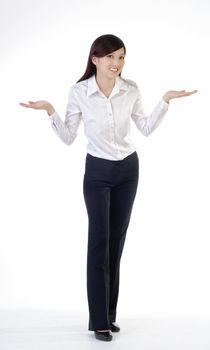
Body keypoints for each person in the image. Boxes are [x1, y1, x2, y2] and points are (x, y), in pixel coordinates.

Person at [20, 34, 197, 342]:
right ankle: (99, 320)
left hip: (129, 169)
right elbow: (68, 137)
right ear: (95, 59)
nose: (117, 63)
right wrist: (50, 111)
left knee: (116, 245)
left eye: (122, 57)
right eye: (111, 57)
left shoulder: (131, 90)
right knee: (99, 242)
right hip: (98, 172)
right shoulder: (80, 92)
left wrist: (165, 101)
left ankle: (109, 317)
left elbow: (145, 128)